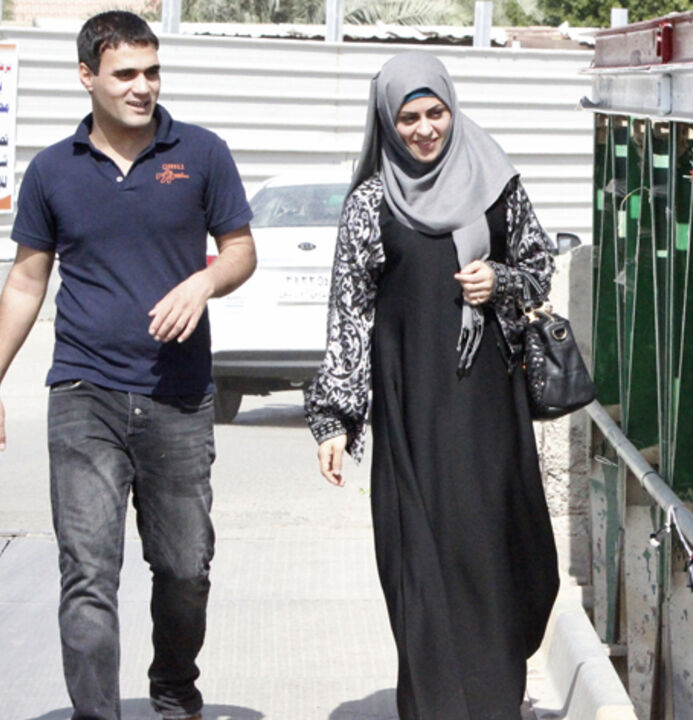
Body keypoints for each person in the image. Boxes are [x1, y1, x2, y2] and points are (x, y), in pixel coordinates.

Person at [0, 11, 255, 720]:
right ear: (88, 77)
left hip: (177, 396)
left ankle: (174, 689)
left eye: (152, 71)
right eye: (125, 74)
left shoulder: (200, 154)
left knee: (183, 569)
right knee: (87, 572)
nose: (143, 87)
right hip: (83, 394)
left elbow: (240, 249)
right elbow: (26, 282)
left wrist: (203, 282)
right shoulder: (52, 170)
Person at [305, 51, 559, 719]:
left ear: (453, 108)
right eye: (409, 117)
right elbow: (349, 314)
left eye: (435, 113)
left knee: (497, 559)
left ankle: (497, 701)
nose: (424, 129)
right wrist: (334, 419)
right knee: (420, 569)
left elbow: (538, 268)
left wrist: (498, 280)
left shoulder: (497, 184)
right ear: (388, 121)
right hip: (411, 412)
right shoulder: (370, 203)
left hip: (487, 413)